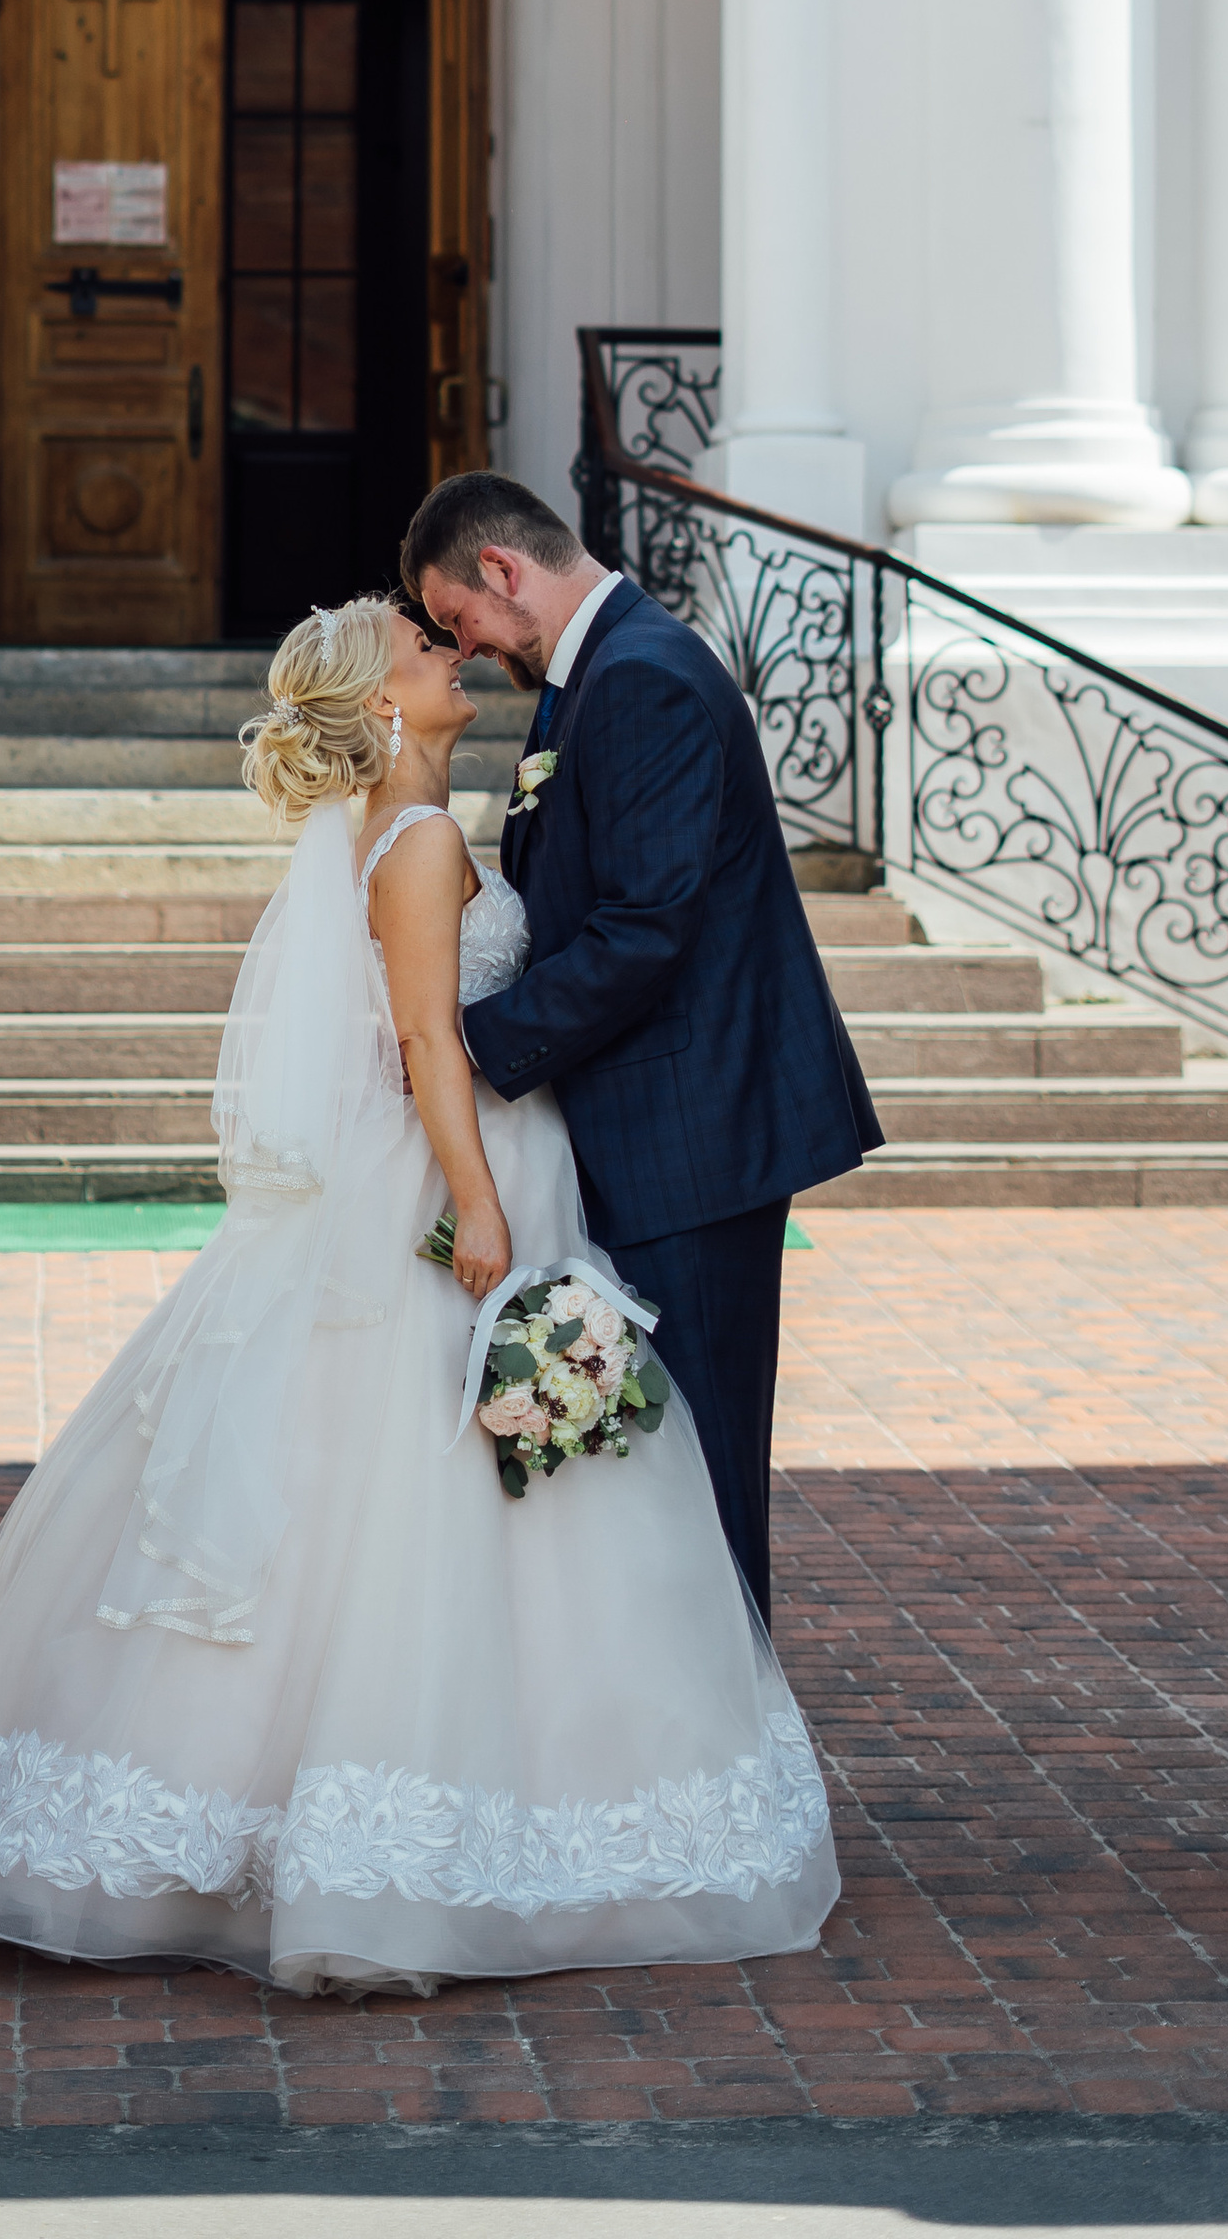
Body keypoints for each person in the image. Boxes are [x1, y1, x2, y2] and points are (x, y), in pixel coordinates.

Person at [0, 593, 838, 1996]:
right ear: (382, 705)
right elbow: (434, 1042)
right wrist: (483, 1208)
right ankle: (384, 1831)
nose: (450, 654)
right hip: (453, 1183)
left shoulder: (422, 829)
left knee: (388, 1484)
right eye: (422, 647)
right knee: (417, 1481)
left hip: (457, 1167)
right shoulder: (423, 841)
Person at [400, 474, 884, 1625]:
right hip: (654, 1128)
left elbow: (641, 932)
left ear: (503, 574)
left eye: (458, 617)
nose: (461, 647)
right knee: (651, 1473)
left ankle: (731, 1748)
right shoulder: (595, 677)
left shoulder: (642, 681)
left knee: (701, 1469)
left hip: (694, 1138)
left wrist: (467, 1041)